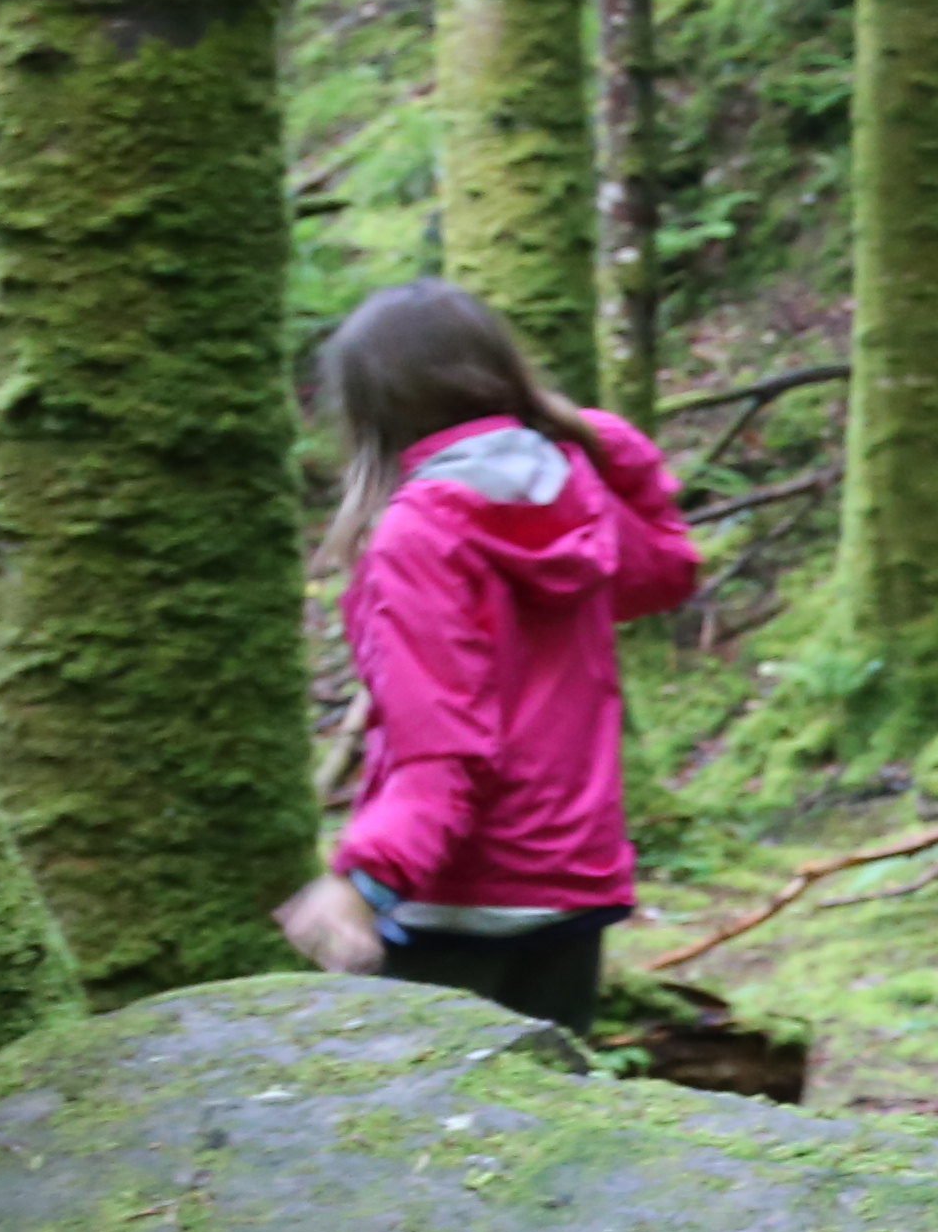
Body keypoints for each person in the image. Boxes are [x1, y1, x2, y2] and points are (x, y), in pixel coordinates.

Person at [272, 281, 702, 1031]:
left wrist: (363, 880)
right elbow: (666, 564)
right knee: (550, 1124)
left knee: (420, 1137)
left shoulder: (418, 534)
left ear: (370, 414)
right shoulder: (576, 492)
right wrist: (599, 436)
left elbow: (442, 748)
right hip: (574, 882)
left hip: (459, 897)